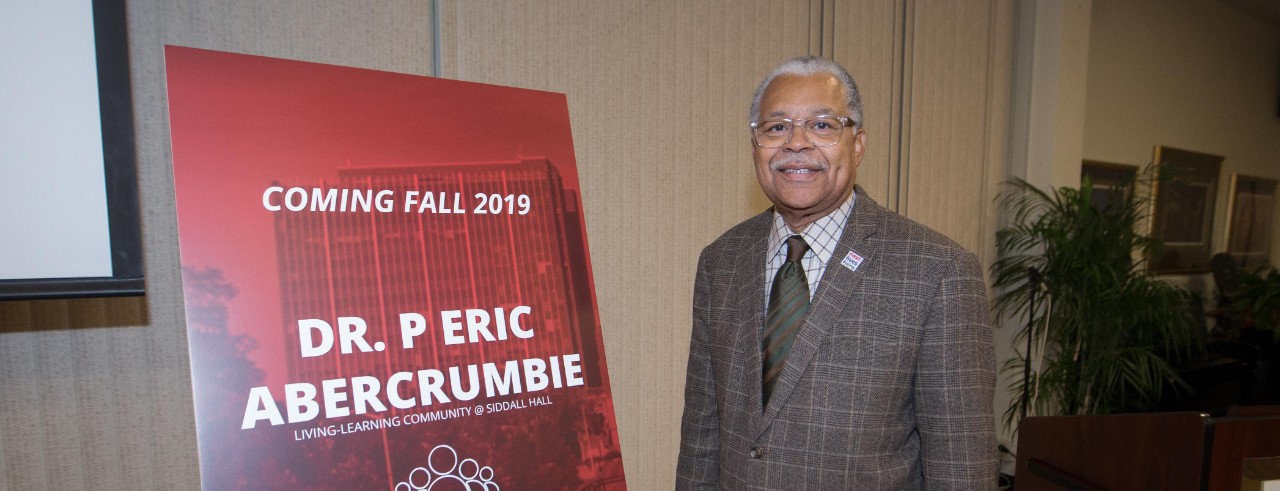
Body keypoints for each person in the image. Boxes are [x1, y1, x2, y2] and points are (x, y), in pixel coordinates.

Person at [676, 56, 996, 489]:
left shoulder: (938, 271)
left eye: (823, 125)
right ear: (756, 146)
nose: (796, 143)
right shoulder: (721, 261)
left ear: (858, 144)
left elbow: (961, 464)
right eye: (776, 127)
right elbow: (703, 432)